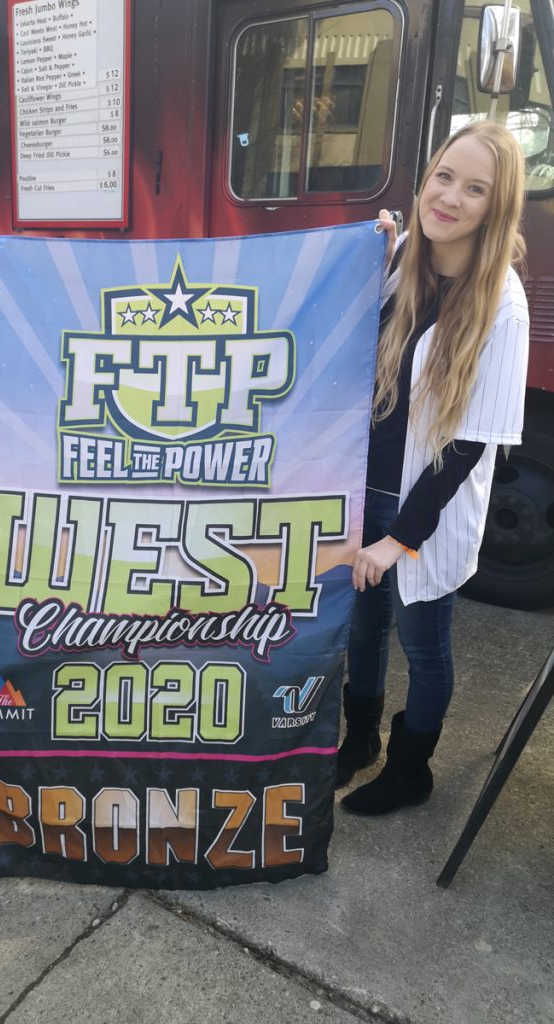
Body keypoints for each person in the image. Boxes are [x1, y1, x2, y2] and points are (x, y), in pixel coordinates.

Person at [337, 121, 529, 816]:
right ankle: (359, 740)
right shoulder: (407, 255)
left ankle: (411, 767)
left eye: (474, 188)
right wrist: (373, 255)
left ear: (496, 205)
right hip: (364, 490)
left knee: (423, 641)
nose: (449, 197)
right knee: (362, 626)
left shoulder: (501, 305)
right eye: (444, 176)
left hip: (425, 507)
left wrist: (400, 539)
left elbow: (467, 448)